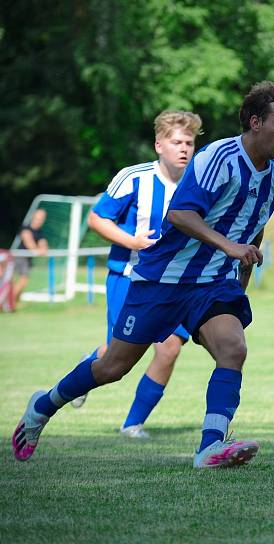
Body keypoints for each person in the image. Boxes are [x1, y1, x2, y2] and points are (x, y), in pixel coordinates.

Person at [12, 81, 274, 468]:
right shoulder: (218, 157)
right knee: (113, 366)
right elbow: (179, 214)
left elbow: (253, 224)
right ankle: (42, 406)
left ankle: (209, 448)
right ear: (255, 122)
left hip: (211, 284)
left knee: (233, 349)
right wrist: (230, 248)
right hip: (162, 278)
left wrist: (239, 273)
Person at [67, 111, 202, 441]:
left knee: (169, 348)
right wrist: (133, 242)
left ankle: (133, 424)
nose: (184, 149)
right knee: (118, 353)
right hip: (130, 277)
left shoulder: (200, 183)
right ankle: (81, 375)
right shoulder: (133, 178)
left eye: (189, 142)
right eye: (176, 142)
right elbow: (97, 220)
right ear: (159, 144)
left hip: (175, 282)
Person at [13, 208, 48, 305]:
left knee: (22, 282)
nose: (40, 220)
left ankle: (13, 304)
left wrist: (42, 249)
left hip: (27, 260)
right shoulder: (25, 228)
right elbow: (29, 244)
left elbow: (44, 245)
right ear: (33, 217)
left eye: (42, 218)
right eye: (38, 218)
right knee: (20, 280)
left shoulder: (40, 232)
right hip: (19, 257)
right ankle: (10, 302)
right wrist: (38, 250)